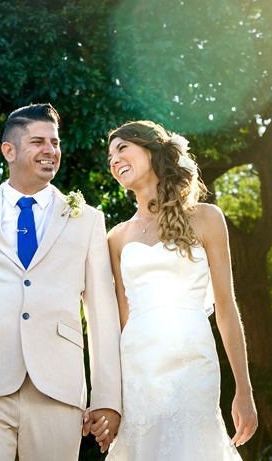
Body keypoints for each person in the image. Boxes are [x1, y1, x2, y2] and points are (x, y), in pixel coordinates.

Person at [0, 103, 122, 461]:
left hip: (58, 387)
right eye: (38, 141)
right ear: (9, 151)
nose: (50, 150)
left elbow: (102, 315)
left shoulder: (88, 220)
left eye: (55, 142)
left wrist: (107, 398)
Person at [84, 120, 258, 460]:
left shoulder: (207, 218)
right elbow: (119, 324)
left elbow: (225, 308)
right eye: (109, 156)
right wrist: (112, 403)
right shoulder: (116, 238)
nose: (114, 159)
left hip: (192, 360)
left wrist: (245, 390)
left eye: (122, 148)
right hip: (139, 369)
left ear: (151, 151)